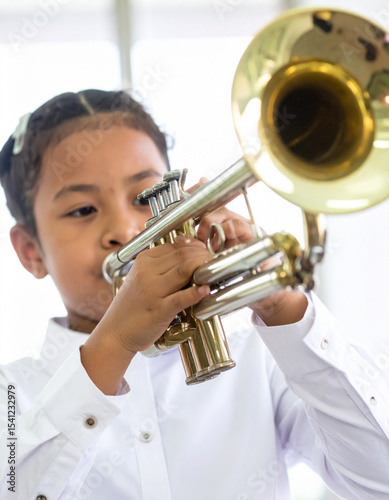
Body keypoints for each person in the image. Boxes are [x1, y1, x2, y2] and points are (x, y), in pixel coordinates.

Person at [0, 89, 388, 500]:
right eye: (82, 210)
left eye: (142, 198)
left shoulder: (260, 359)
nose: (127, 230)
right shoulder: (13, 390)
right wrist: (114, 343)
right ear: (30, 252)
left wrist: (282, 306)